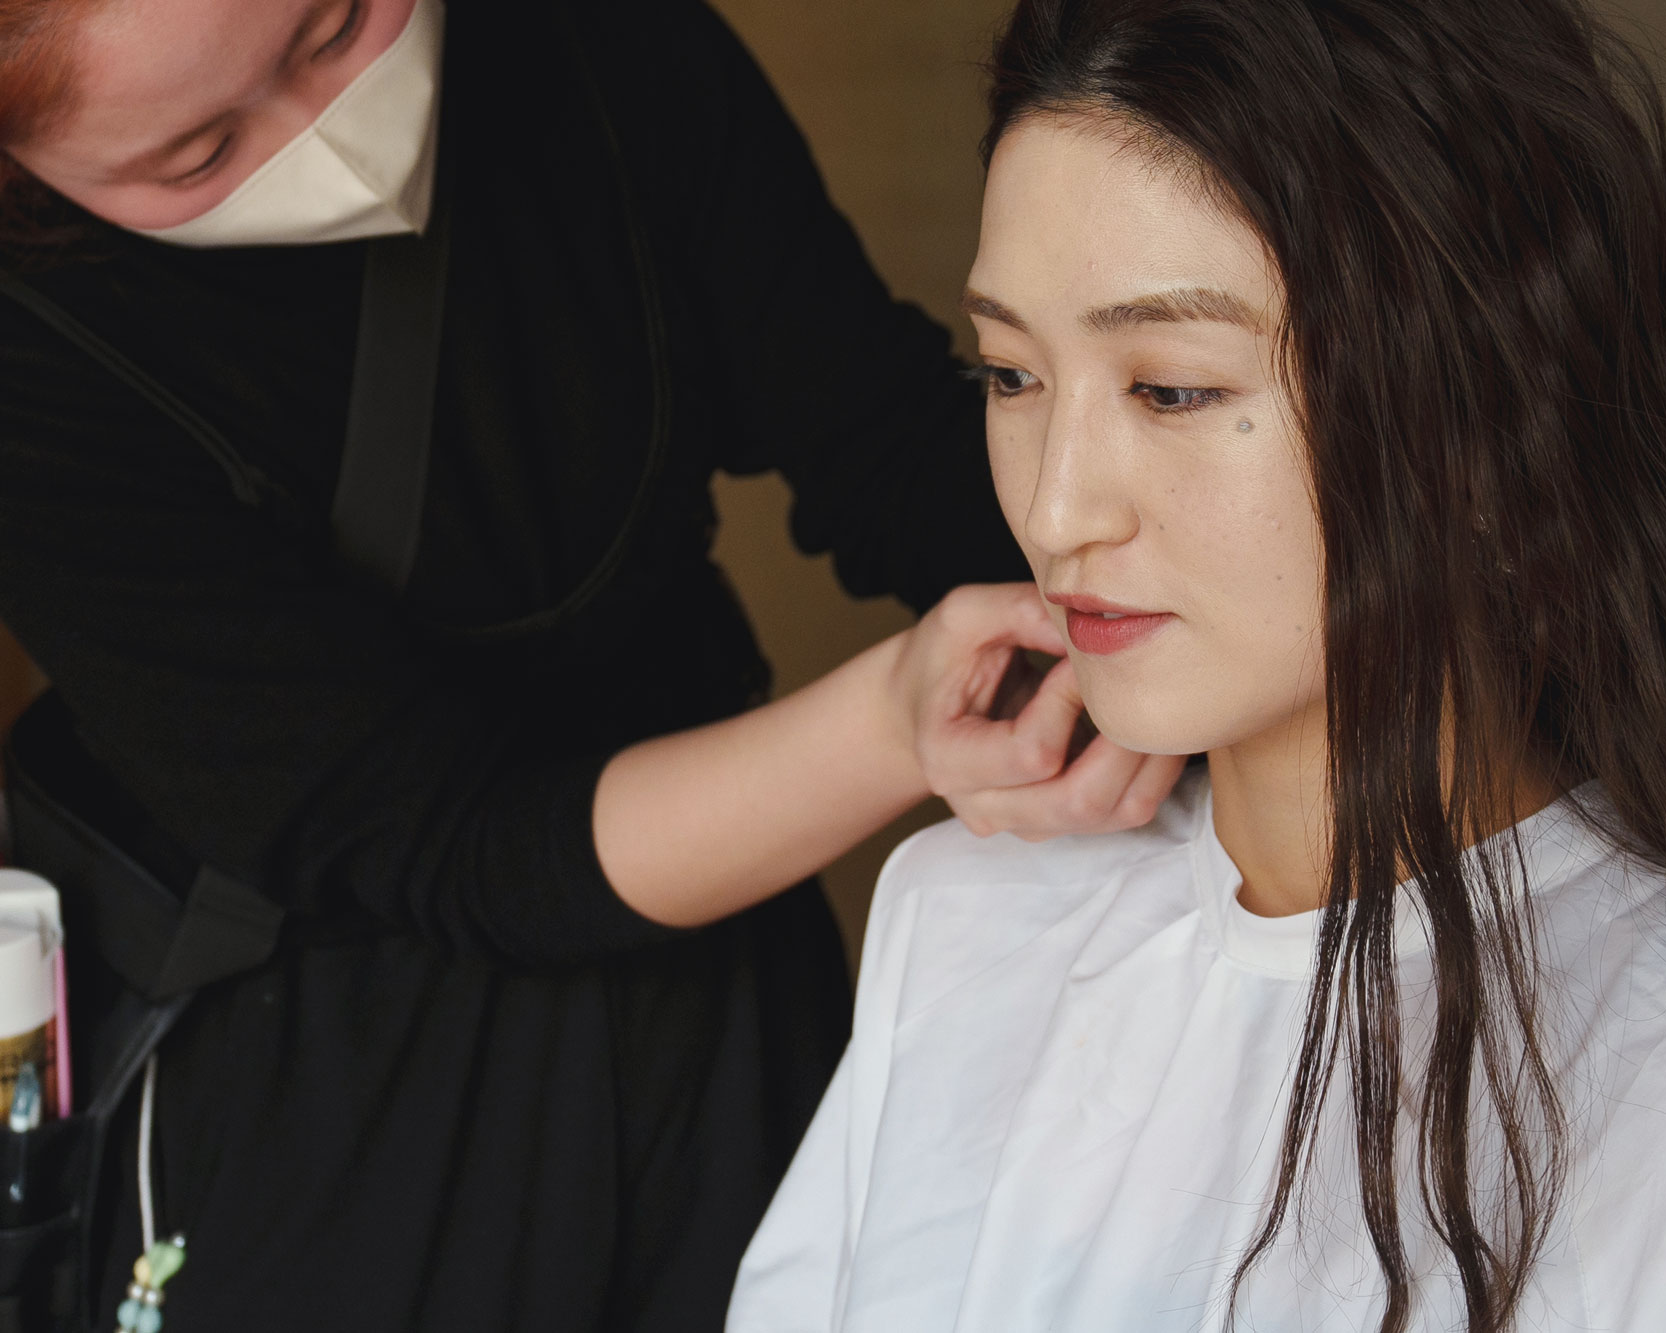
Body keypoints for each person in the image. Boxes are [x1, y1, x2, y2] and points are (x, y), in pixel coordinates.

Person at [726, 0, 1666, 1329]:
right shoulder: (966, 929)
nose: (1055, 509)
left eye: (1171, 389)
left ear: (1488, 420)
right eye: (1009, 375)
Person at [0, 0, 1184, 1327]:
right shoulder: (32, 358)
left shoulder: (603, 45)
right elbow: (452, 839)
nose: (327, 135)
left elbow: (886, 442)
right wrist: (896, 725)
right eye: (198, 153)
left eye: (336, 27)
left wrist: (1181, 586)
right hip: (333, 1063)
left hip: (720, 997)